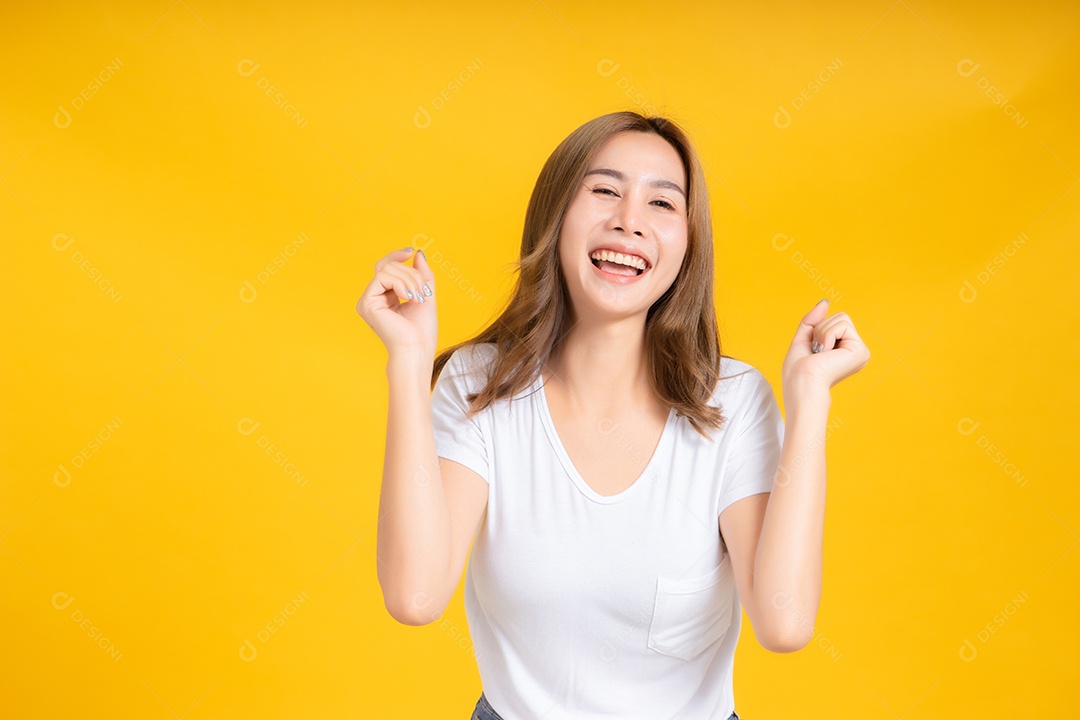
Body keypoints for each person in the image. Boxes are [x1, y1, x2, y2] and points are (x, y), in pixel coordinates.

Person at [357, 110, 870, 720]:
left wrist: (810, 401)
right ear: (555, 215)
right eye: (604, 190)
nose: (629, 221)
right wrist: (409, 362)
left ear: (688, 242)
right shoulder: (480, 384)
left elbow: (784, 622)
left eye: (662, 203)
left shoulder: (732, 401)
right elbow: (415, 595)